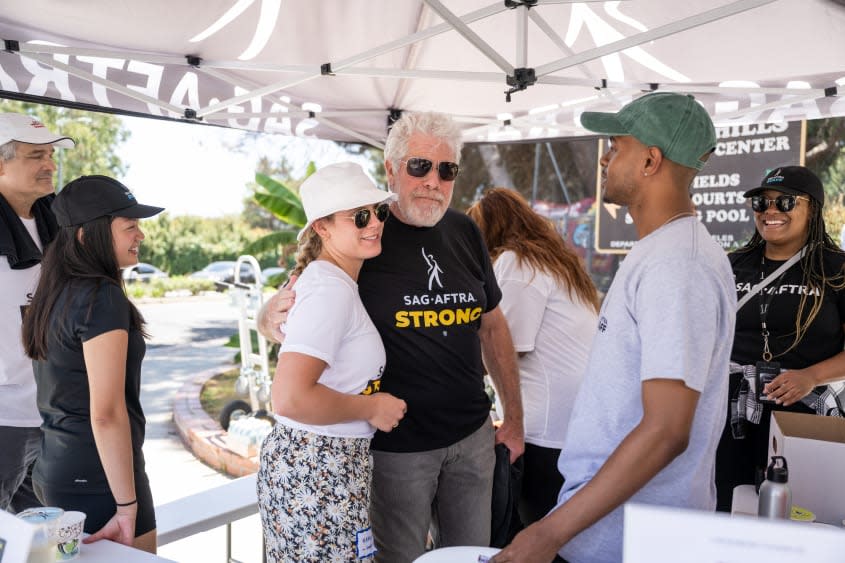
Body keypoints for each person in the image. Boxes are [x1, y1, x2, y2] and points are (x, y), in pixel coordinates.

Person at [259, 111, 524, 562]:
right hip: (396, 450)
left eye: (447, 170)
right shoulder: (362, 238)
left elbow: (493, 326)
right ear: (392, 168)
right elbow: (299, 294)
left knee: (470, 557)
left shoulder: (463, 231)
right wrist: (267, 314)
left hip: (472, 438)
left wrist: (514, 419)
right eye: (419, 166)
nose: (432, 181)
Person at [491, 92, 736, 563]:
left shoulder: (677, 265)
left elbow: (667, 429)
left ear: (650, 161)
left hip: (629, 541)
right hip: (611, 534)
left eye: (617, 145)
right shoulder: (663, 251)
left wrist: (547, 533)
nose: (606, 156)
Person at [256, 162, 407, 562]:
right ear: (322, 228)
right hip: (318, 468)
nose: (374, 222)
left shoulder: (330, 281)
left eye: (379, 211)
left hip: (324, 465)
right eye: (359, 216)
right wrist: (372, 406)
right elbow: (289, 397)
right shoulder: (329, 289)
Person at [21, 175, 163, 553]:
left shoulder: (55, 294)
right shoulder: (101, 296)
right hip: (100, 478)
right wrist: (127, 505)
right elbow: (106, 413)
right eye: (130, 226)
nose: (141, 235)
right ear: (87, 234)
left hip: (56, 468)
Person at [466, 187, 599, 528]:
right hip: (571, 427)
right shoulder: (555, 263)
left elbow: (503, 347)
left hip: (541, 430)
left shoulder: (515, 262)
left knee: (535, 534)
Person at [715, 165, 845, 511]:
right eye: (761, 203)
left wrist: (810, 377)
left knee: (800, 513)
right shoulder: (733, 264)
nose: (770, 211)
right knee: (726, 506)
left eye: (785, 202)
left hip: (803, 415)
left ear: (812, 209)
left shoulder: (837, 269)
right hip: (730, 412)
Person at [0, 113, 74, 513]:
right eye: (35, 156)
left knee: (37, 532)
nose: (49, 165)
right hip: (4, 417)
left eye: (50, 154)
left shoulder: (55, 223)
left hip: (46, 410)